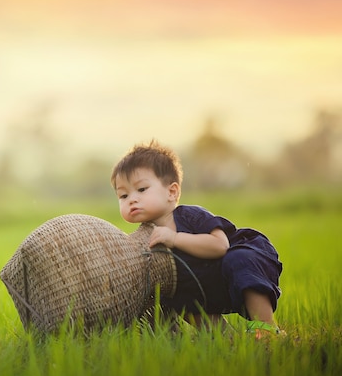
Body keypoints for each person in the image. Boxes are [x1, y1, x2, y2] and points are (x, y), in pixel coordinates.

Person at [111, 140, 283, 337]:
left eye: (141, 189)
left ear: (171, 191)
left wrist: (175, 239)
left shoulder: (189, 215)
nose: (132, 199)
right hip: (206, 283)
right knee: (177, 295)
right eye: (123, 196)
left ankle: (266, 328)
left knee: (239, 260)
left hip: (238, 259)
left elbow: (220, 246)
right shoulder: (145, 239)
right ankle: (224, 337)